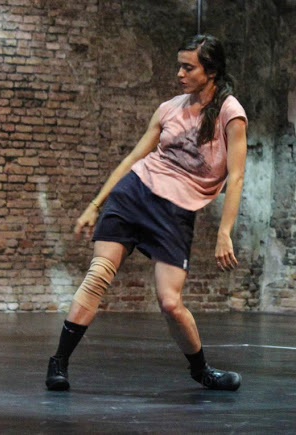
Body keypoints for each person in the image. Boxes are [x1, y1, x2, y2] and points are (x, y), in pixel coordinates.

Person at [45, 34, 248, 392]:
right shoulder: (168, 108)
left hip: (174, 212)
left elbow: (237, 176)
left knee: (170, 303)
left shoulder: (230, 113)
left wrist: (224, 232)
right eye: (179, 66)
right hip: (134, 194)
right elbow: (133, 158)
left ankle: (201, 370)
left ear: (211, 71)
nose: (180, 74)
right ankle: (58, 363)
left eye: (188, 68)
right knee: (98, 275)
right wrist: (95, 204)